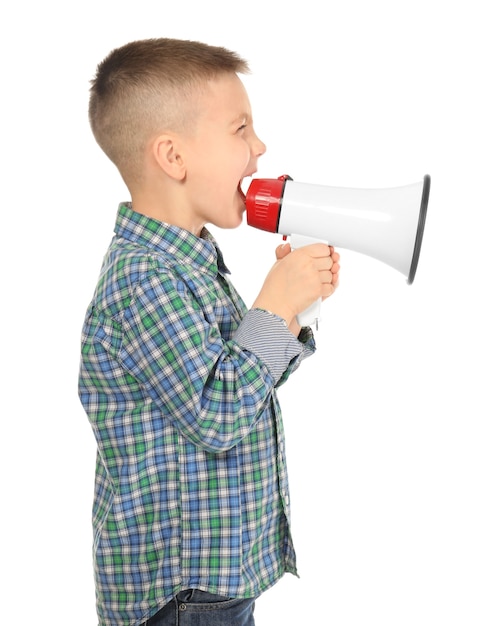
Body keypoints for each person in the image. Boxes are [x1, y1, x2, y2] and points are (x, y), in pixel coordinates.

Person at [78, 38, 340, 626]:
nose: (260, 148)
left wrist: (294, 311)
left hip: (211, 582)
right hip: (180, 595)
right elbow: (217, 414)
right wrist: (270, 311)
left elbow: (240, 383)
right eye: (240, 129)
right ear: (173, 157)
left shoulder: (189, 261)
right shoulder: (145, 279)